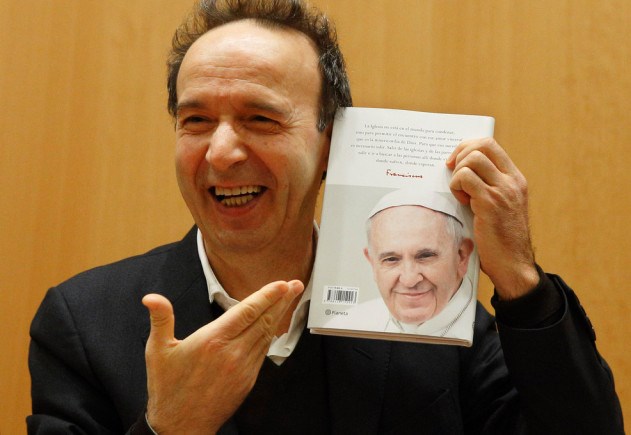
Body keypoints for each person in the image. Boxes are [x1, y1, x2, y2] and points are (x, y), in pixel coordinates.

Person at [28, 0, 624, 433]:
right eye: (196, 120)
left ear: (331, 146)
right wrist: (170, 431)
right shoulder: (83, 323)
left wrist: (520, 282)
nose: (221, 151)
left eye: (260, 118)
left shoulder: (427, 308)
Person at [363, 188, 475, 335]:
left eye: (425, 256)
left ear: (461, 257)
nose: (409, 280)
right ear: (372, 263)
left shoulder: (498, 339)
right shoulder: (344, 325)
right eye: (391, 259)